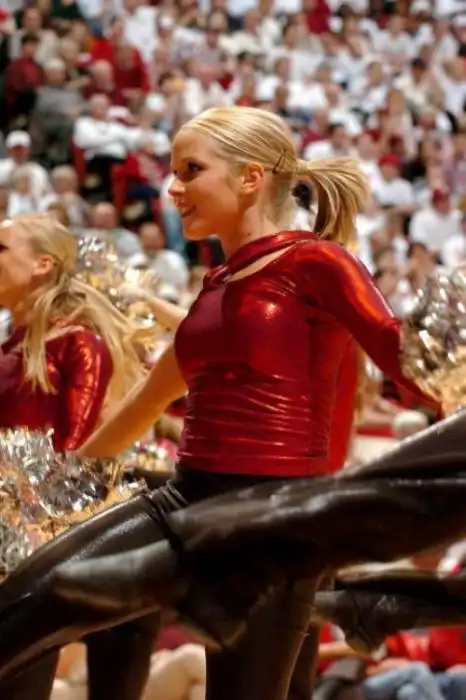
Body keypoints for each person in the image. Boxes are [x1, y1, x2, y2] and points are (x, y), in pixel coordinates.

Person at [0, 106, 442, 700]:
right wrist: (50, 493)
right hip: (182, 500)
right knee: (25, 604)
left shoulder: (317, 261)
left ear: (250, 177)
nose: (173, 187)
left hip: (273, 522)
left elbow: (408, 362)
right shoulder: (217, 285)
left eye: (191, 170)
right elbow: (144, 402)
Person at [0, 212, 159, 700]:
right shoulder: (8, 344)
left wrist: (34, 531)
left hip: (28, 538)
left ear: (43, 264)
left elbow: (73, 454)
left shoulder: (78, 344)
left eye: (2, 249)